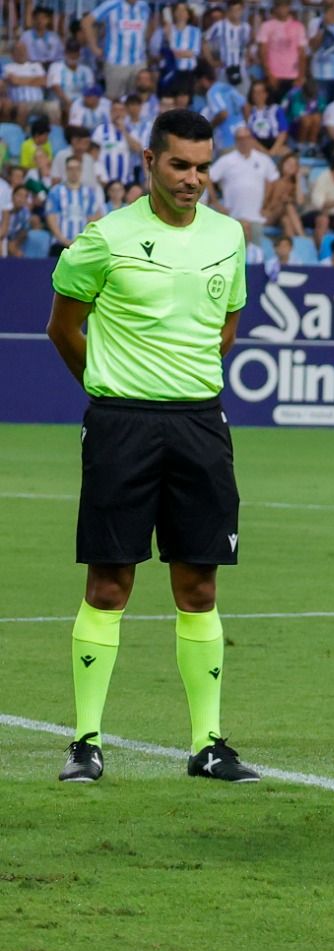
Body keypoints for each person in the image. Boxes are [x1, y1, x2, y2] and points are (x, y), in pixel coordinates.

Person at [45, 108, 257, 785]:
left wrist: (182, 382)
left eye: (202, 166)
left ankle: (209, 744)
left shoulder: (230, 236)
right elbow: (62, 327)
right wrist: (110, 392)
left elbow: (226, 327)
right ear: (150, 162)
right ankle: (84, 741)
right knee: (110, 582)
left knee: (198, 583)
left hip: (200, 424)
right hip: (121, 425)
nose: (193, 178)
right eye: (180, 165)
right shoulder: (105, 238)